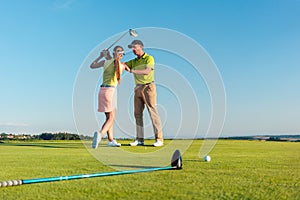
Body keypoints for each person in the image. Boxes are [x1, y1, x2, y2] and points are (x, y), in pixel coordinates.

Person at [124, 40, 164, 147]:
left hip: (148, 87)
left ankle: (159, 139)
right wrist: (114, 56)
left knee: (152, 112)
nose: (133, 50)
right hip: (137, 88)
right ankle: (140, 139)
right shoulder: (133, 61)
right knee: (137, 114)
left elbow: (147, 71)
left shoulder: (149, 58)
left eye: (134, 47)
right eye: (131, 48)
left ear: (141, 47)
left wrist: (131, 71)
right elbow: (121, 64)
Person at [90, 46, 125, 148]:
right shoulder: (121, 65)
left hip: (101, 91)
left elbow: (92, 65)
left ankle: (111, 140)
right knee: (111, 118)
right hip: (111, 92)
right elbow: (119, 64)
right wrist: (107, 55)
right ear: (121, 55)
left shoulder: (105, 62)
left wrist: (100, 56)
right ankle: (100, 135)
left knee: (108, 117)